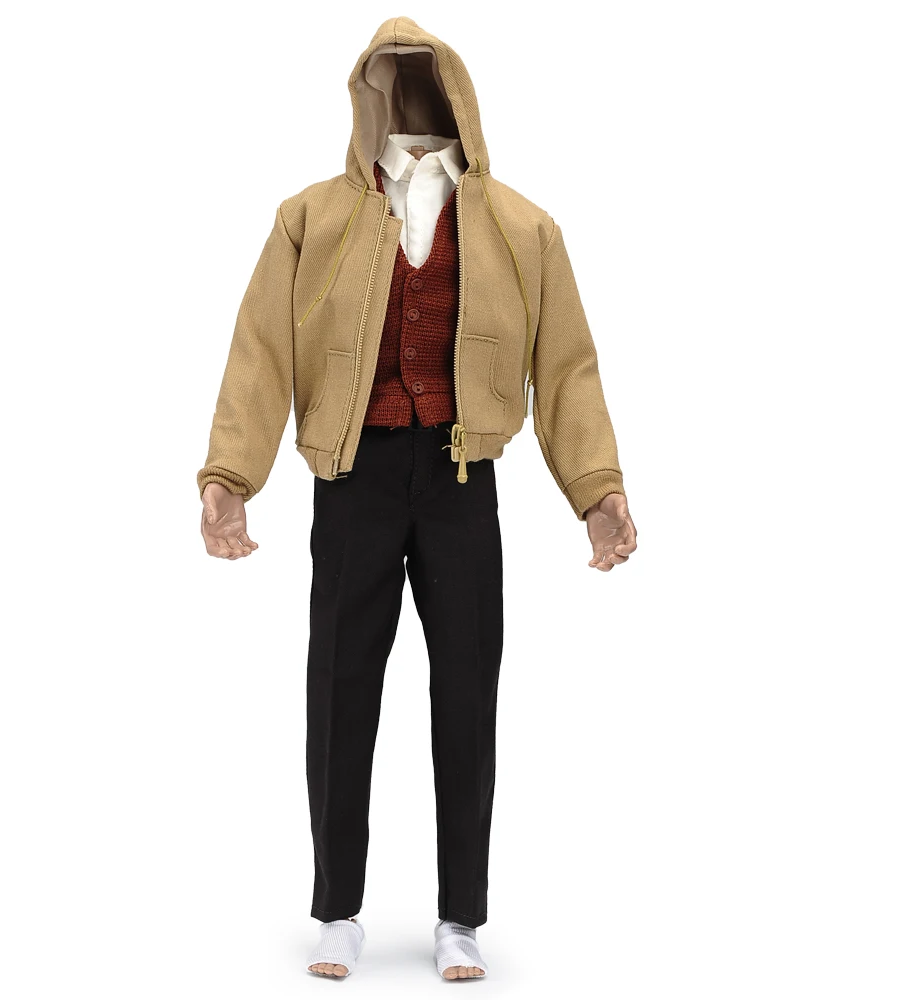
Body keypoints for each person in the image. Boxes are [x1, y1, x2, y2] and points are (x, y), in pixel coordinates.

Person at [197, 16, 637, 982]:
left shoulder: (522, 226)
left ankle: (461, 917)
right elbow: (261, 350)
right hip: (351, 476)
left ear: (462, 98)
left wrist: (596, 489)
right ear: (366, 97)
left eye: (428, 80)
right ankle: (337, 911)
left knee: (468, 692)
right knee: (339, 688)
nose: (411, 95)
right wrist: (231, 475)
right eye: (391, 80)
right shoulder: (312, 217)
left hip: (461, 477)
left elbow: (566, 366)